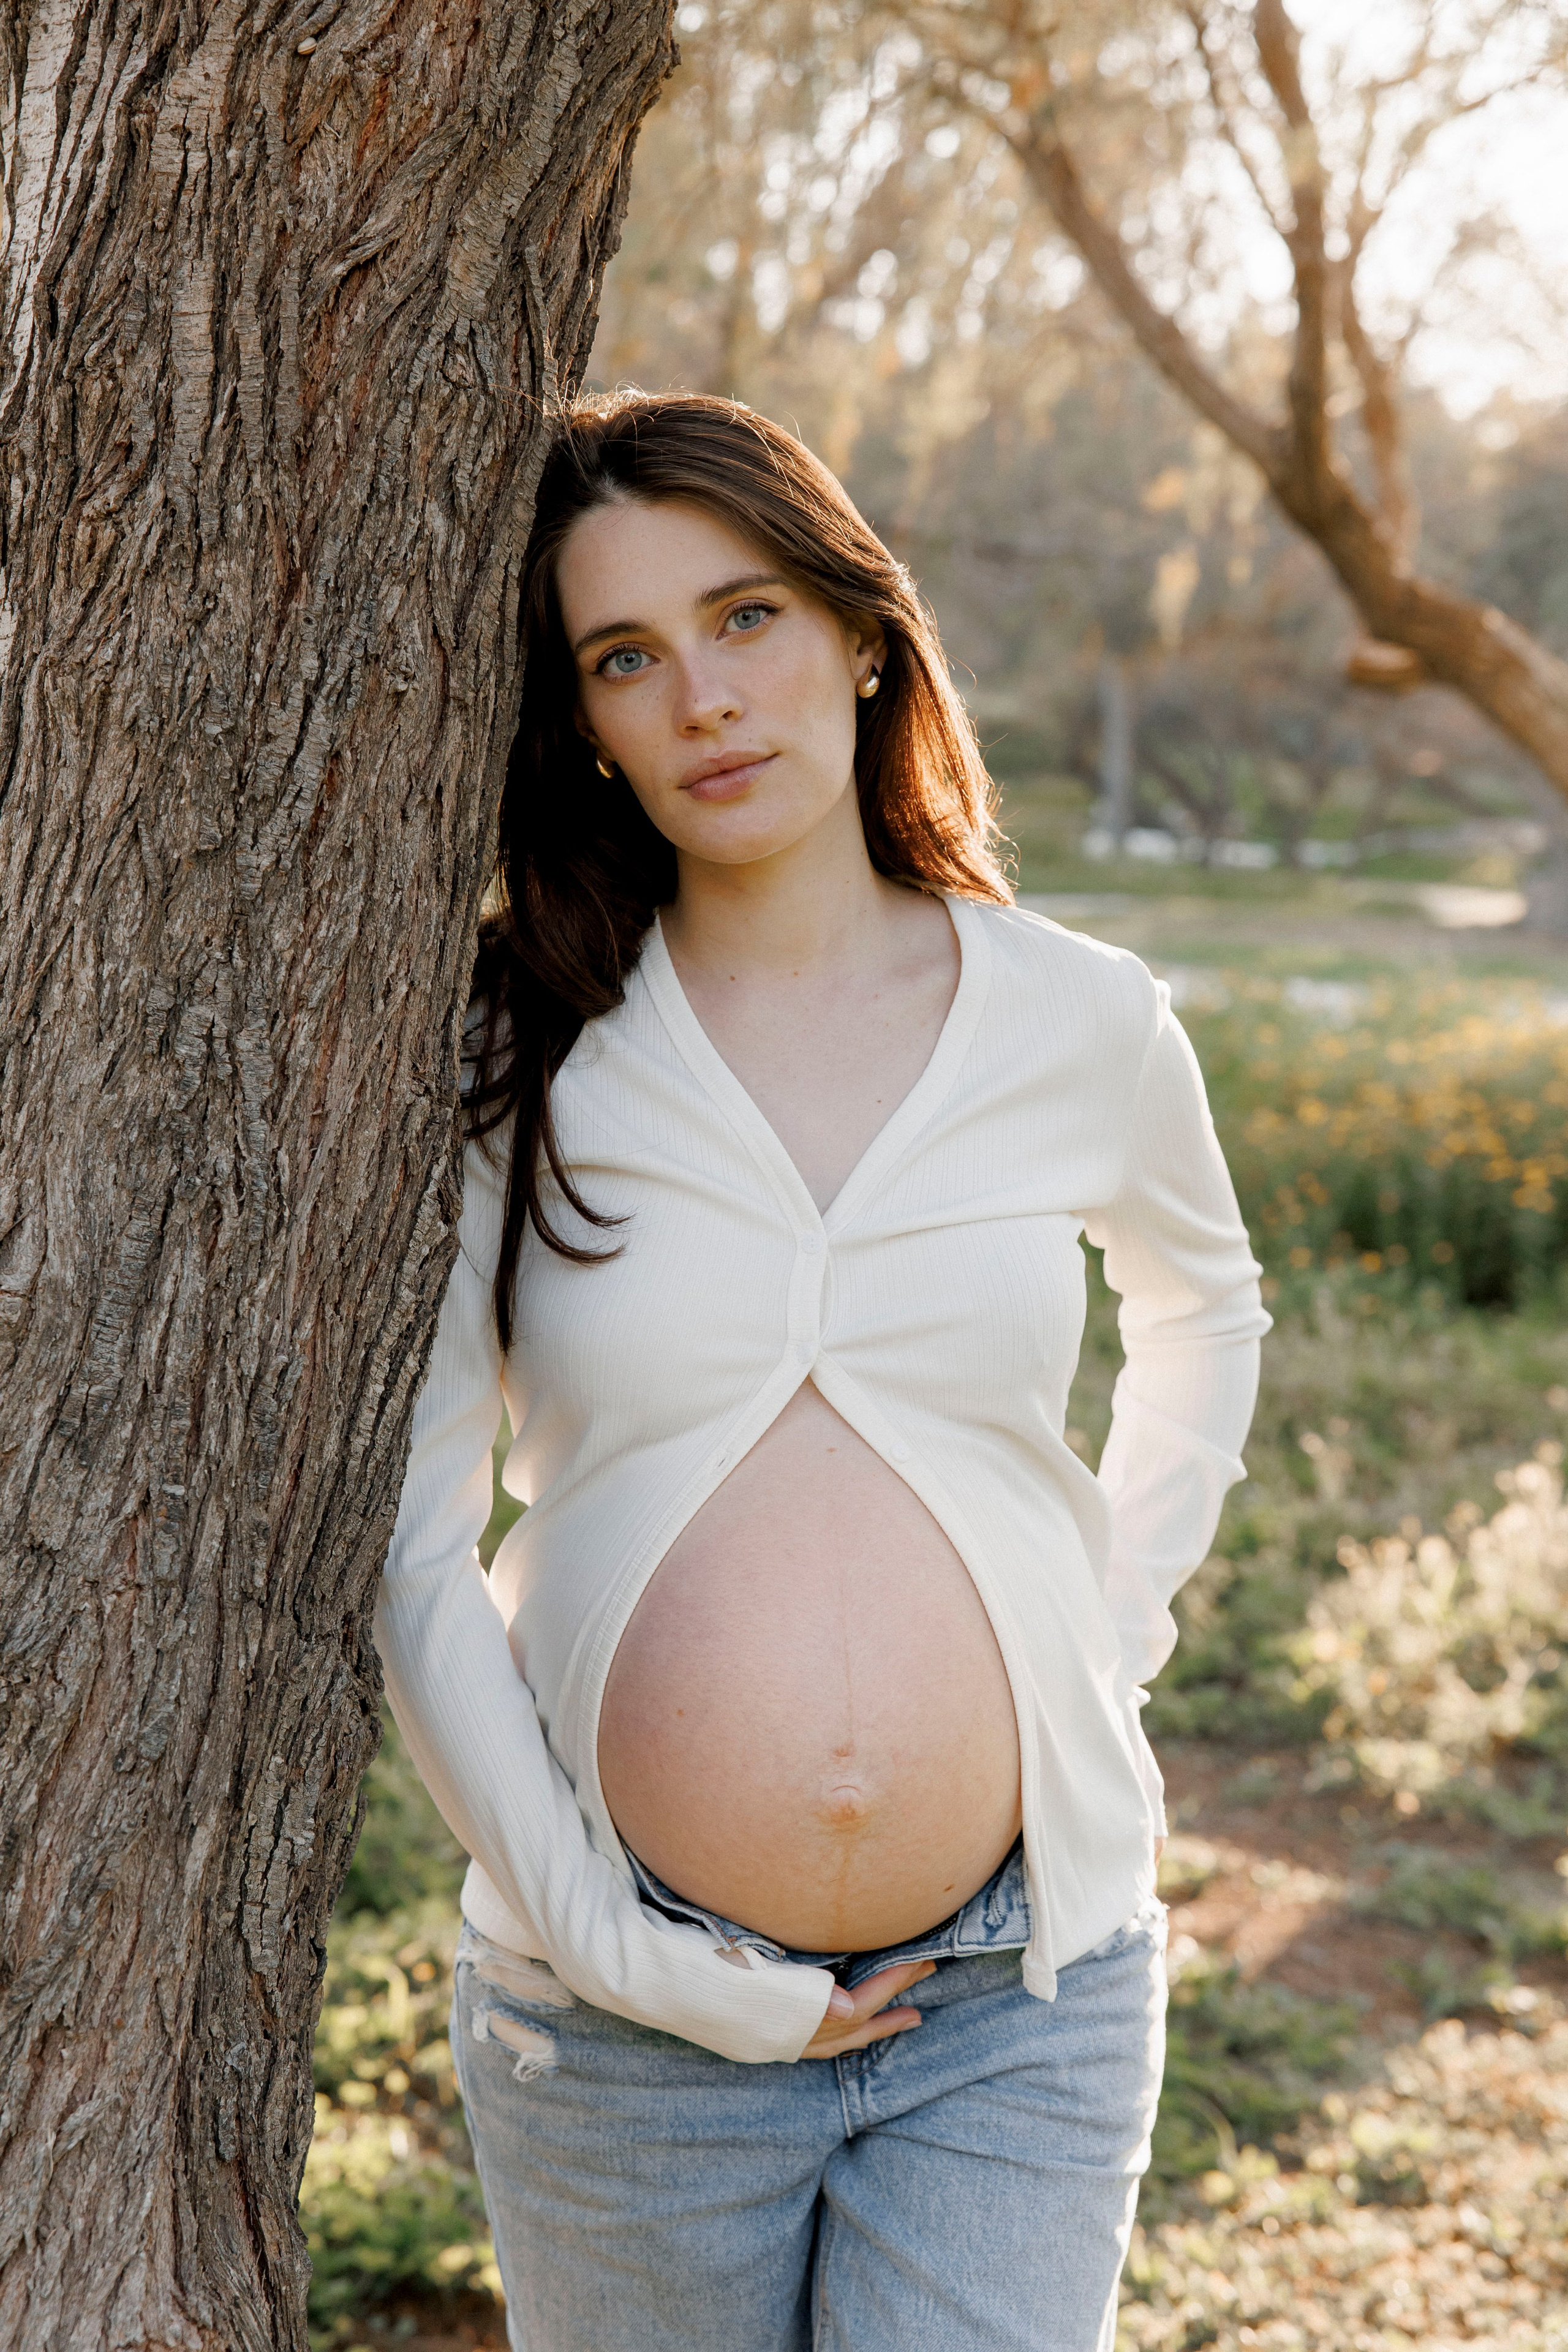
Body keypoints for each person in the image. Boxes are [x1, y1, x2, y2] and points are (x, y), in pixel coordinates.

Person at [377, 390, 1269, 2351]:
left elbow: (1210, 1307)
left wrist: (1108, 1625)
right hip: (620, 2038)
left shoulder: (1079, 1022)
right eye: (628, 656)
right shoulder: (512, 1060)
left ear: (864, 632)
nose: (704, 694)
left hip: (1017, 2004)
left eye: (748, 615)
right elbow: (415, 1550)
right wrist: (614, 1946)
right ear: (584, 723)